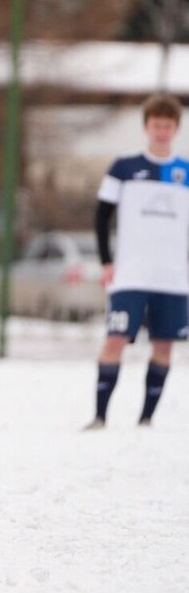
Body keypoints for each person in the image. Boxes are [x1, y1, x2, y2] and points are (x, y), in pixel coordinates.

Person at [86, 93, 189, 430]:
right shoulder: (124, 167)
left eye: (167, 125)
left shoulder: (184, 171)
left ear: (176, 128)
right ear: (147, 127)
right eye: (156, 125)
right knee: (115, 339)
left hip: (172, 277)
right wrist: (106, 261)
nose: (161, 131)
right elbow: (102, 216)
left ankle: (146, 419)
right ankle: (100, 416)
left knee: (163, 344)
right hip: (131, 273)